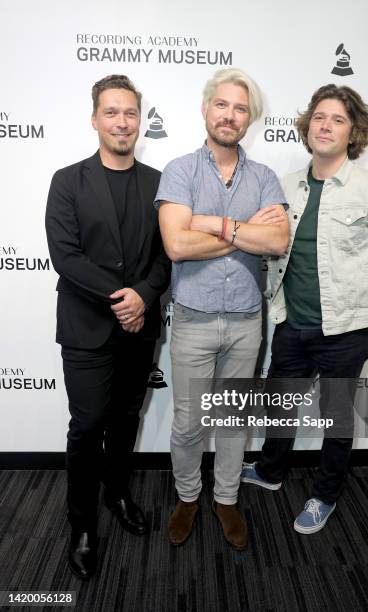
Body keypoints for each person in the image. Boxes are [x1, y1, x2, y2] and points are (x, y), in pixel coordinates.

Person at [241, 84, 368, 534]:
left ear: (352, 132)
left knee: (335, 416)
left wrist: (356, 286)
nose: (326, 126)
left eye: (338, 119)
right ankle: (271, 471)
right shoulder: (286, 187)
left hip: (348, 329)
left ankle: (325, 494)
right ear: (307, 124)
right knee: (280, 406)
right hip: (291, 322)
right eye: (319, 116)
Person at [156, 68, 288, 550]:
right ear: (206, 109)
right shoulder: (179, 171)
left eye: (240, 108)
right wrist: (243, 230)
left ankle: (226, 498)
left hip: (245, 323)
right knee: (189, 422)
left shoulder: (265, 177)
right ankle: (188, 496)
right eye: (222, 105)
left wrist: (212, 225)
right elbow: (175, 244)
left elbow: (275, 239)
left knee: (233, 420)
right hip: (192, 318)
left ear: (249, 119)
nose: (230, 115)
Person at [45, 75, 170, 579]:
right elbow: (65, 257)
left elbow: (167, 256)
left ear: (140, 120)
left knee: (125, 421)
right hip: (86, 328)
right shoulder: (66, 180)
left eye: (130, 113)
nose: (122, 122)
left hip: (139, 328)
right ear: (94, 118)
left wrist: (143, 295)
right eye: (112, 113)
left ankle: (117, 494)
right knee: (87, 426)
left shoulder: (162, 183)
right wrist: (123, 298)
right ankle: (81, 525)